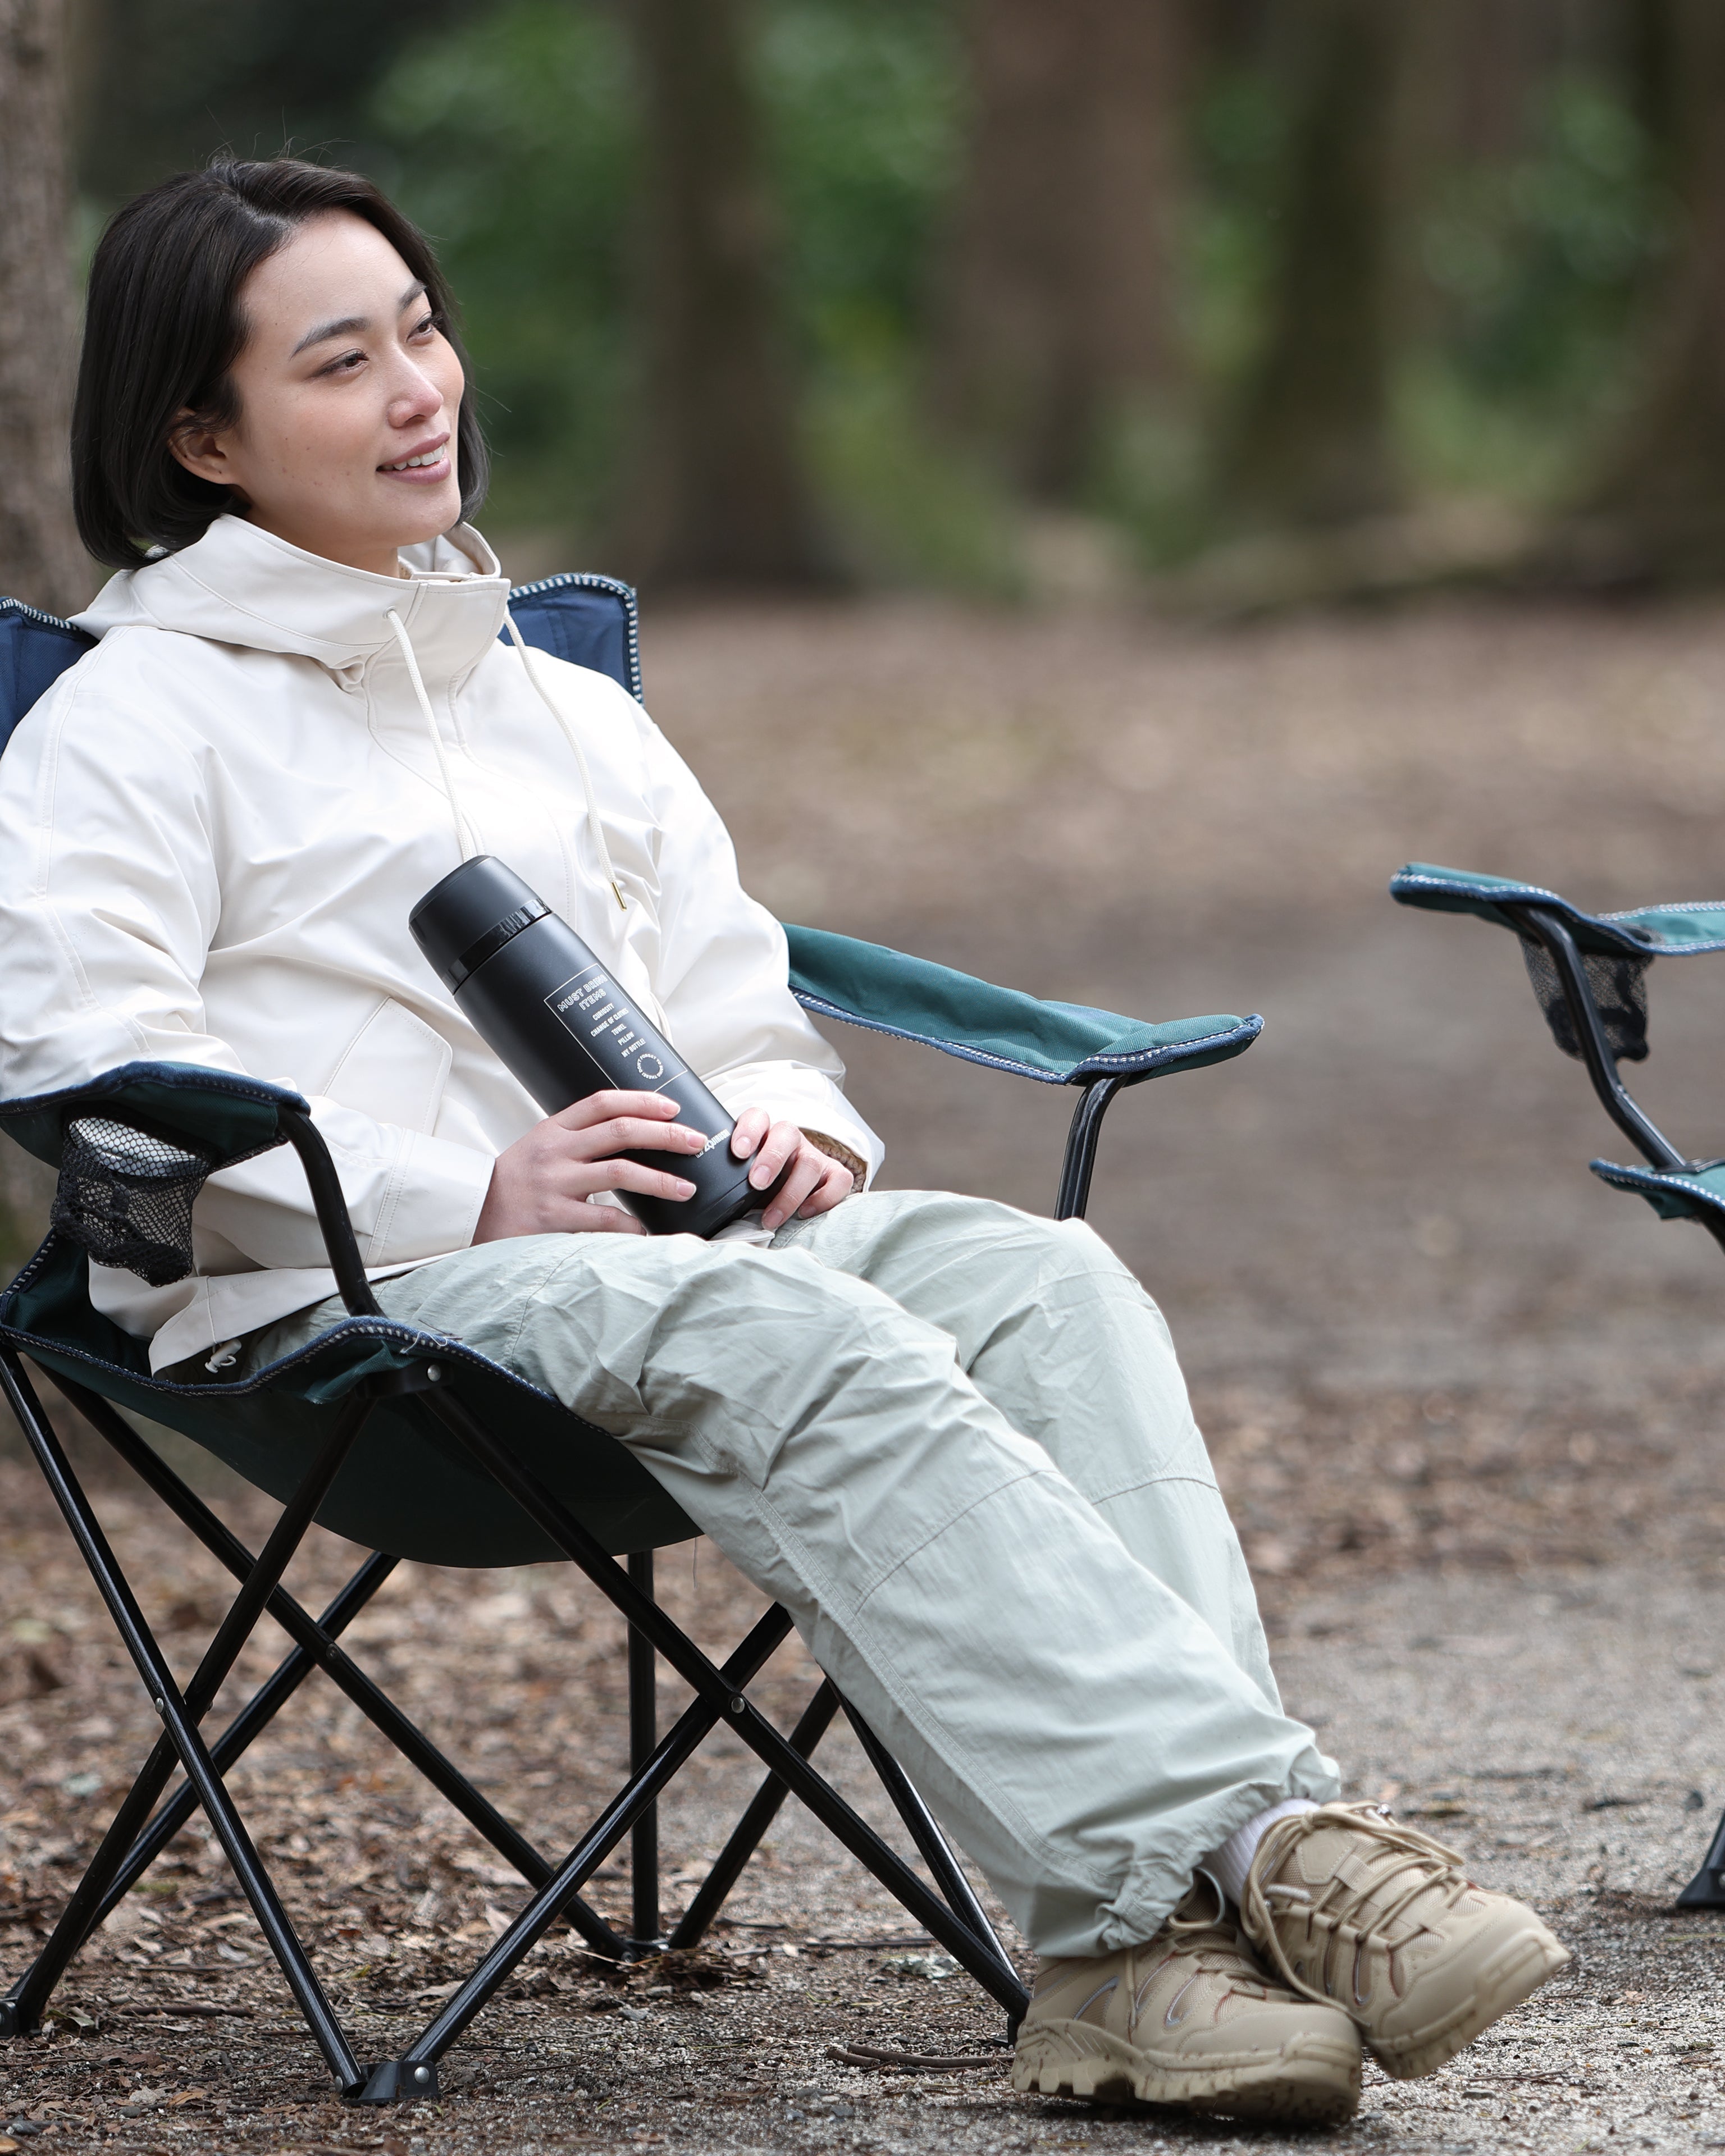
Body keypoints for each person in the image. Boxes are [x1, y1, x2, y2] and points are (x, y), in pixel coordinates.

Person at [0, 161, 1568, 2124]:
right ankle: (1284, 1851)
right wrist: (456, 1190)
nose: (421, 390)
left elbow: (739, 997)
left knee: (1041, 1279)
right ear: (202, 434)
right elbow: (88, 1063)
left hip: (671, 1265)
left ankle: (1124, 1962)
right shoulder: (130, 721)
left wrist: (792, 1118)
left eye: (423, 328)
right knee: (788, 1341)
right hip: (344, 1309)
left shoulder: (558, 702)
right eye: (342, 361)